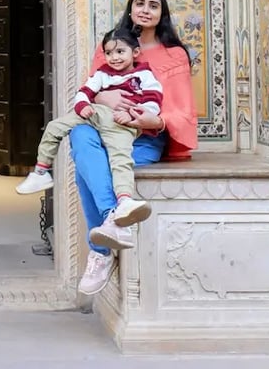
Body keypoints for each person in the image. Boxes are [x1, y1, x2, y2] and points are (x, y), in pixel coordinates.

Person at [71, 0, 197, 297]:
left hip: (144, 139)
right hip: (106, 130)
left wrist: (152, 118)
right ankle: (114, 220)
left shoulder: (175, 55)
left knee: (85, 168)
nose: (145, 10)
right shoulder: (110, 46)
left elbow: (182, 112)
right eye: (140, 3)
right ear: (131, 7)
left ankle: (100, 253)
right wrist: (106, 99)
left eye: (153, 5)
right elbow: (91, 91)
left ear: (162, 12)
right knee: (79, 134)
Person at [15, 27, 161, 229]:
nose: (114, 58)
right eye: (109, 53)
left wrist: (131, 114)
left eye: (120, 52)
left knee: (120, 159)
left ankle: (124, 200)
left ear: (135, 52)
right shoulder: (102, 74)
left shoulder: (144, 75)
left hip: (121, 124)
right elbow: (84, 92)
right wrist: (83, 106)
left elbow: (154, 103)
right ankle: (41, 171)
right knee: (55, 126)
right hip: (95, 114)